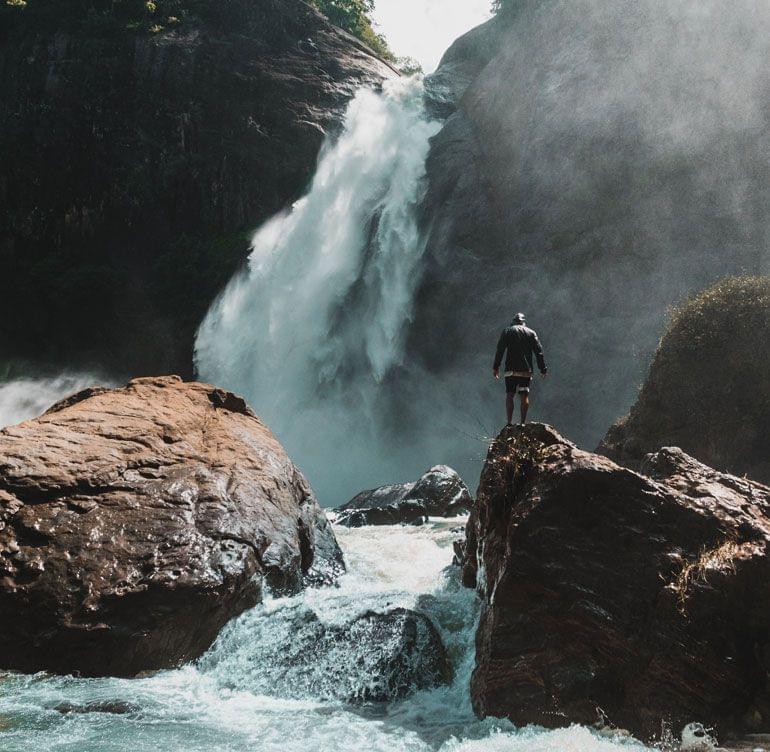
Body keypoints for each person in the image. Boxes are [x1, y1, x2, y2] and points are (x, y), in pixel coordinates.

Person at [492, 312, 547, 426]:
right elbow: (539, 352)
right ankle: (522, 423)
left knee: (510, 395)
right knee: (524, 395)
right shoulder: (531, 332)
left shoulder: (507, 331)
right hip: (525, 371)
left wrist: (496, 367)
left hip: (510, 370)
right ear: (523, 322)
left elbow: (500, 350)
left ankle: (509, 423)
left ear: (513, 322)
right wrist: (543, 369)